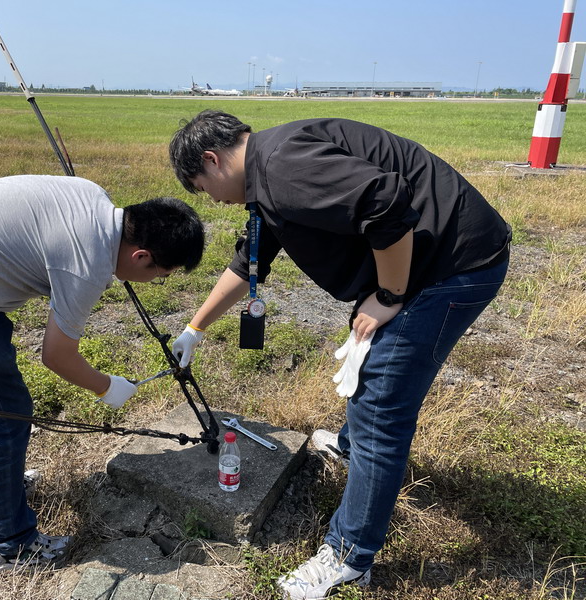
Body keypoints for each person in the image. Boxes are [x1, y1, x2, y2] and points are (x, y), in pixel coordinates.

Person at [168, 110, 510, 599]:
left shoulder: (283, 166)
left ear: (212, 159)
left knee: (379, 409)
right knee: (370, 360)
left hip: (450, 265)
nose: (215, 202)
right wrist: (194, 328)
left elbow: (388, 205)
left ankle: (350, 556)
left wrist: (390, 295)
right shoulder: (268, 171)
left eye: (203, 188)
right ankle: (352, 447)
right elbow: (251, 260)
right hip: (432, 256)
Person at [0, 174, 204, 575]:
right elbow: (57, 355)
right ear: (140, 256)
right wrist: (107, 387)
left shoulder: (95, 198)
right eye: (161, 274)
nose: (157, 282)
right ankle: (8, 547)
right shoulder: (87, 264)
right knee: (3, 414)